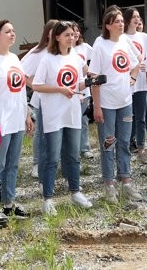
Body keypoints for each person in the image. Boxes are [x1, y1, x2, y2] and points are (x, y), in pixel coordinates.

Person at [32, 20, 93, 215]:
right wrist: (59, 89)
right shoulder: (47, 59)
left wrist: (91, 83)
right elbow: (37, 85)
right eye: (66, 35)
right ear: (57, 37)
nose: (71, 38)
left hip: (72, 112)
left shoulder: (76, 57)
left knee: (73, 155)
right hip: (53, 115)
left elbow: (78, 84)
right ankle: (48, 198)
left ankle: (75, 191)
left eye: (72, 35)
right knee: (52, 157)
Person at [0, 19, 34, 227]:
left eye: (13, 30)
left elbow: (20, 91)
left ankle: (9, 204)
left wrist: (27, 114)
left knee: (12, 165)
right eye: (7, 31)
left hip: (17, 121)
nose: (12, 34)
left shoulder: (13, 58)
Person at [89, 7, 143, 202]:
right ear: (108, 25)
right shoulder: (100, 44)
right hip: (107, 103)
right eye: (117, 21)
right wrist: (96, 106)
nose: (121, 24)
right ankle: (109, 183)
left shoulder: (125, 41)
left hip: (125, 101)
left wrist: (133, 78)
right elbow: (94, 77)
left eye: (122, 20)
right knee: (108, 143)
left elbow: (138, 61)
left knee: (125, 142)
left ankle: (126, 180)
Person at [22, 20, 58, 179]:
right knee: (41, 132)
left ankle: (53, 162)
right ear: (48, 32)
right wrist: (36, 86)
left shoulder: (62, 51)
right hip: (43, 99)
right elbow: (22, 73)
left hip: (60, 99)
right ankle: (37, 163)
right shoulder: (38, 52)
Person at [123, 7, 147, 163]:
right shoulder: (121, 38)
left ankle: (142, 148)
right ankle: (128, 144)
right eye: (134, 16)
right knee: (128, 116)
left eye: (138, 16)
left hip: (142, 82)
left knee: (141, 116)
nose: (137, 19)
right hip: (126, 83)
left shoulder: (146, 38)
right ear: (127, 19)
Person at [69, 22, 94, 159]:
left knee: (83, 120)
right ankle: (72, 149)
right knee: (72, 120)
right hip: (70, 91)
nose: (76, 33)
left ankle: (84, 148)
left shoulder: (84, 47)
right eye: (73, 31)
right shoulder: (65, 50)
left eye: (78, 30)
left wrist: (90, 73)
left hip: (84, 89)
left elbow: (95, 59)